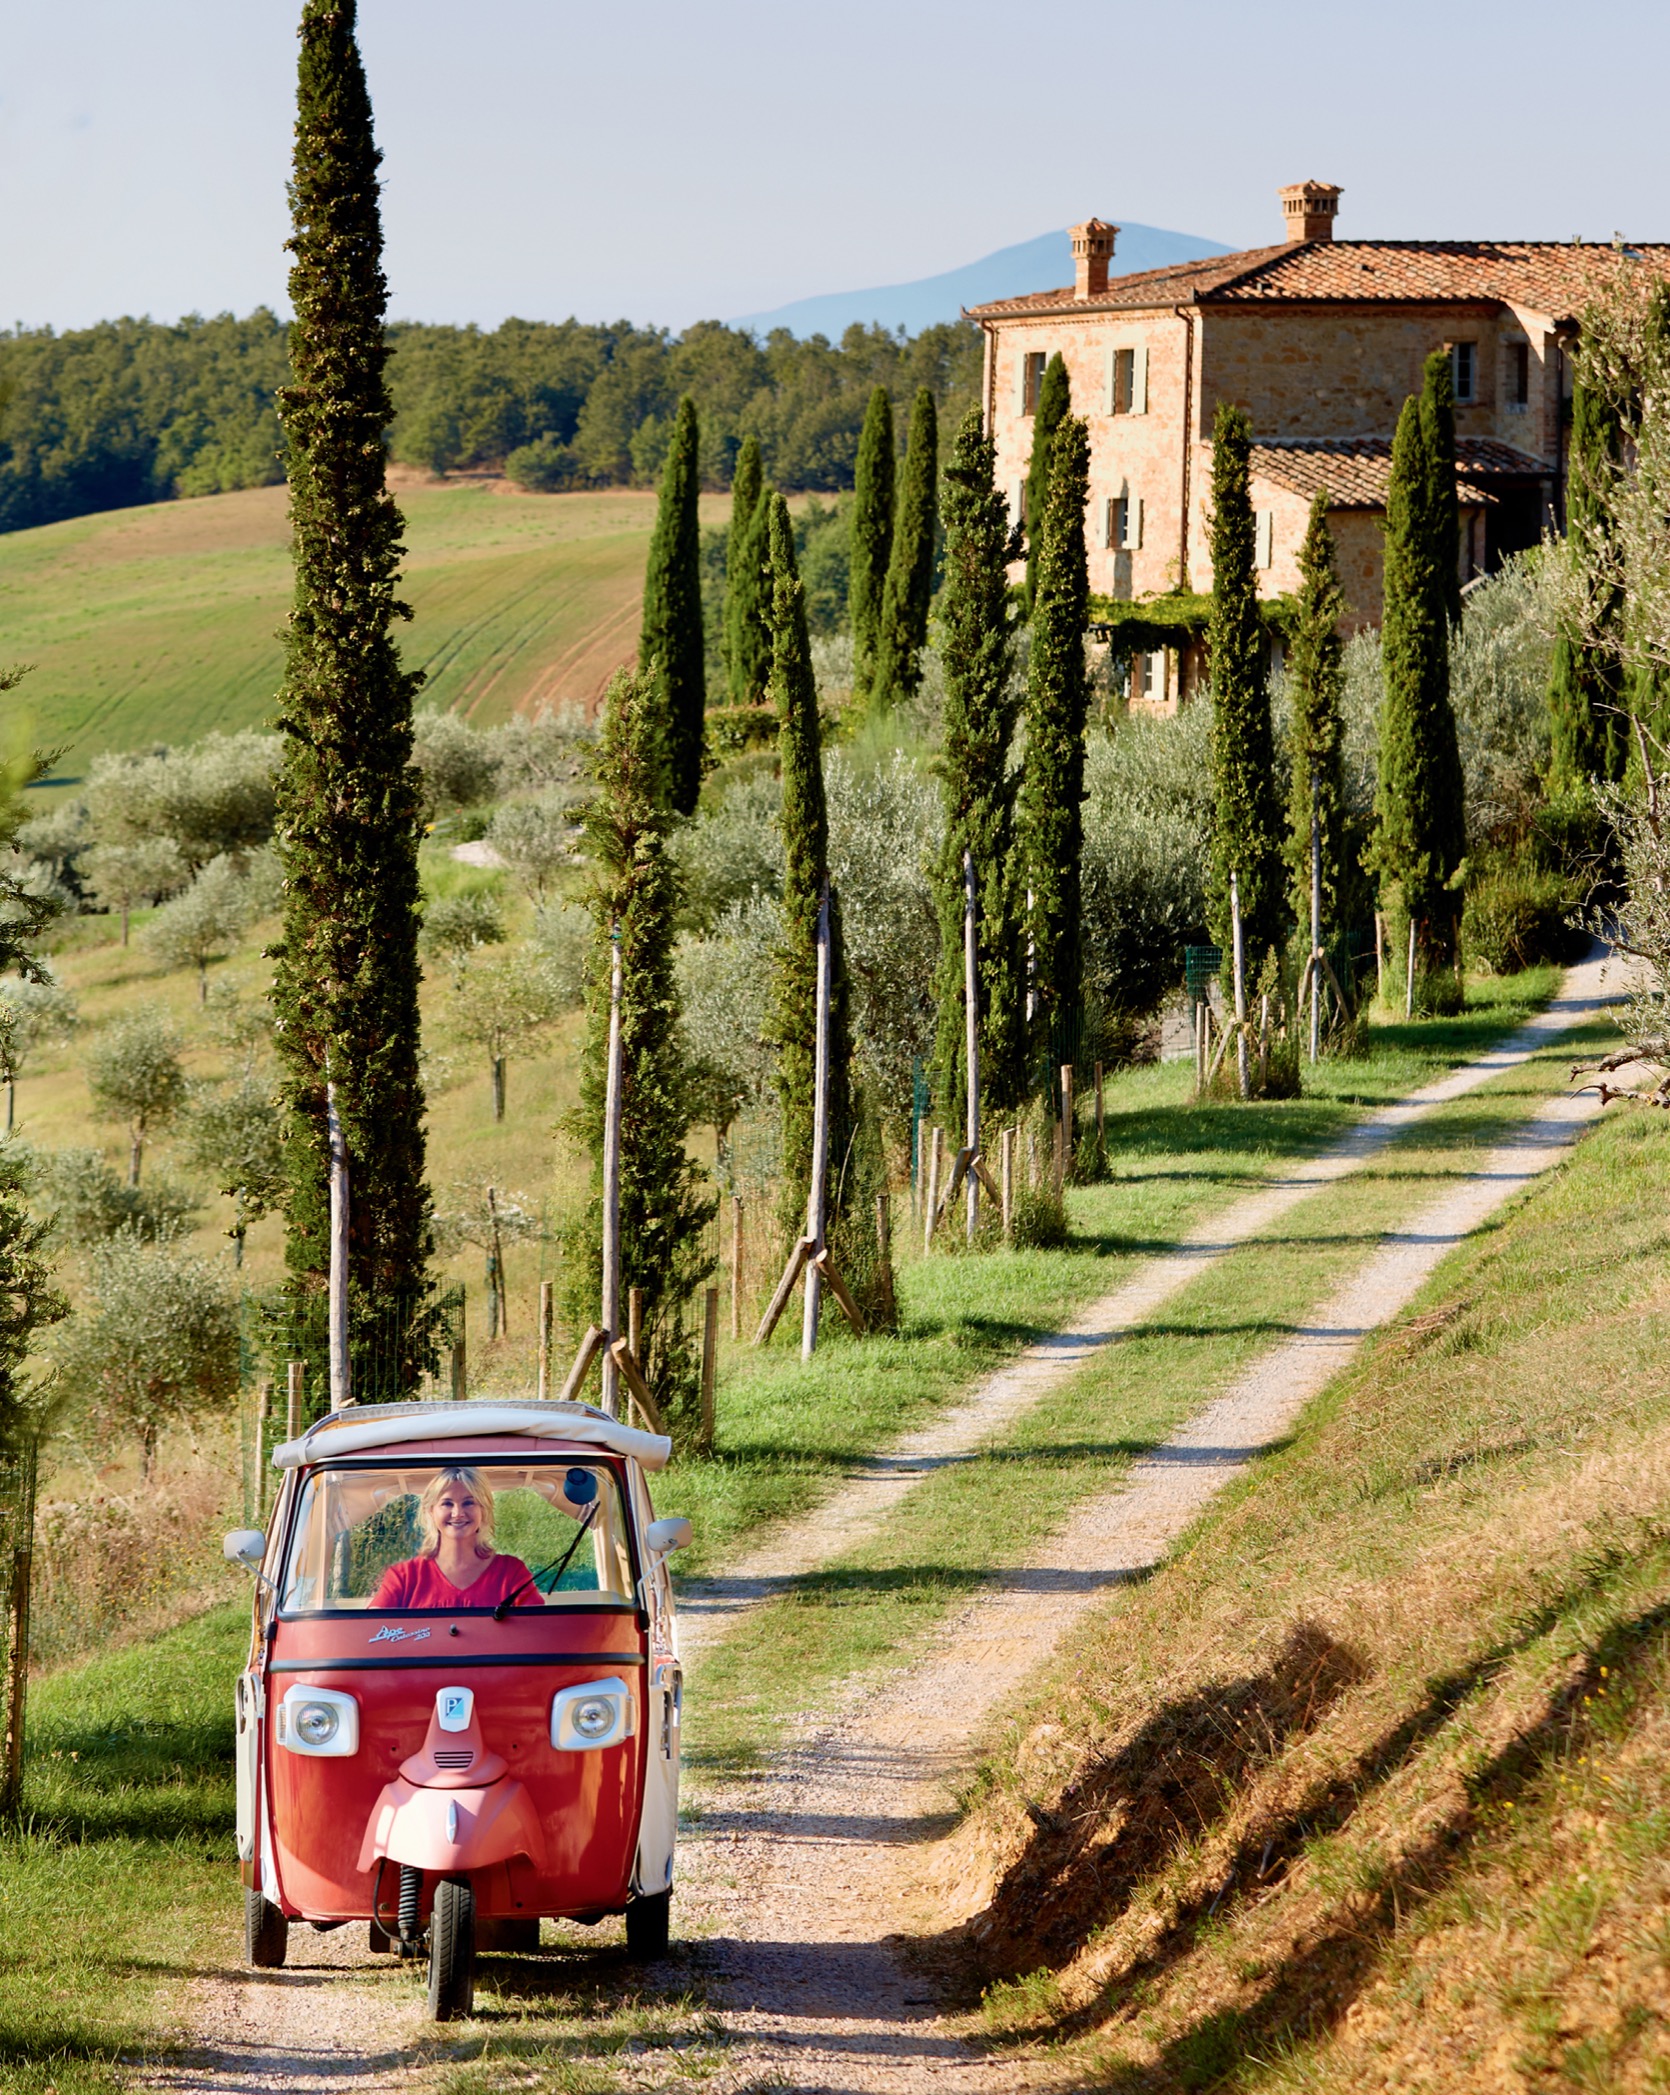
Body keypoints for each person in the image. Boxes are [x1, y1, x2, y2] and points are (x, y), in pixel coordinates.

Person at [371, 1467, 539, 1611]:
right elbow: (370, 1633)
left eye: (468, 1503)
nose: (458, 1513)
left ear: (484, 1510)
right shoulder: (403, 1577)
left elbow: (540, 1632)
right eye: (447, 1503)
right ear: (431, 1511)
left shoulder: (512, 1573)